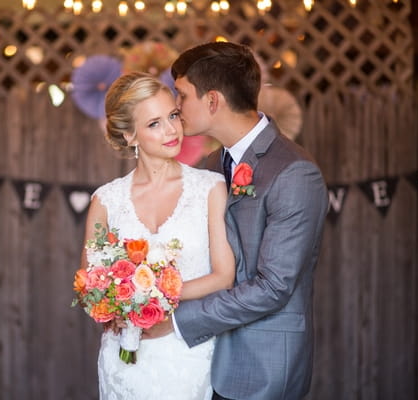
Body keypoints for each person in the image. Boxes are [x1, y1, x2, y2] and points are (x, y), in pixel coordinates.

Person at [143, 41, 329, 400]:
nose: (176, 108)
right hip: (202, 362)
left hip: (262, 366)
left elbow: (274, 286)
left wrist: (178, 322)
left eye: (181, 96)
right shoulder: (210, 167)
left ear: (212, 101)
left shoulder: (293, 172)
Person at [80, 71, 236, 399]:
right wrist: (115, 306)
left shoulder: (210, 188)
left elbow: (224, 276)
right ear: (128, 135)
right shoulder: (105, 201)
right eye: (154, 123)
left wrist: (155, 297)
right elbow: (88, 285)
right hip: (125, 359)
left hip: (188, 354)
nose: (171, 130)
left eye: (173, 116)